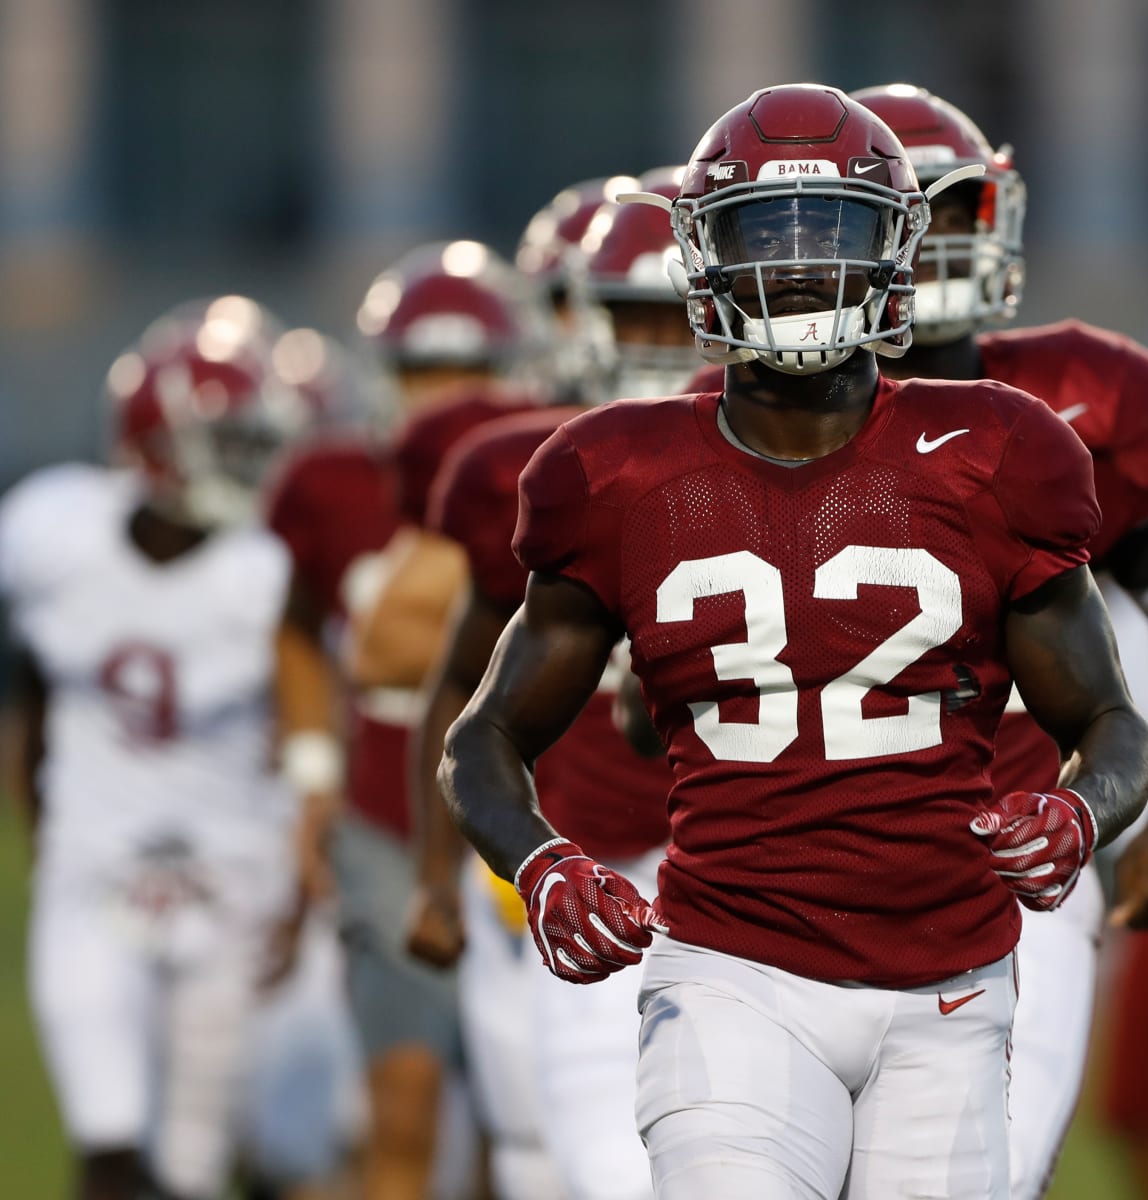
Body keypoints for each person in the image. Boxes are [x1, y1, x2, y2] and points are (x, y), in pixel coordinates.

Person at [436, 83, 1148, 1200]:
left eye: (836, 234)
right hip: (731, 968)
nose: (802, 268)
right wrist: (543, 861)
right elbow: (485, 735)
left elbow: (1108, 721)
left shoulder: (1004, 449)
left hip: (952, 982)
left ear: (896, 249)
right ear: (702, 255)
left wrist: (1080, 809)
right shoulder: (615, 471)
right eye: (765, 235)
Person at [850, 83, 1148, 1200]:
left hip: (1024, 859)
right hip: (813, 853)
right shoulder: (744, 414)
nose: (935, 241)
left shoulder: (1098, 400)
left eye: (954, 209)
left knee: (987, 1172)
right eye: (904, 211)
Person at [390, 168, 694, 1200]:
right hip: (577, 861)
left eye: (673, 315)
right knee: (547, 1153)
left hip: (752, 868)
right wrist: (439, 875)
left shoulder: (810, 459)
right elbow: (443, 681)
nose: (652, 348)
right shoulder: (516, 466)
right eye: (624, 313)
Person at [0, 299, 313, 1200]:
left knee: (192, 1164)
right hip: (95, 876)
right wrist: (47, 831)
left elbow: (304, 723)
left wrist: (293, 863)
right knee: (108, 1145)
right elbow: (32, 692)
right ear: (154, 444)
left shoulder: (267, 566)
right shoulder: (55, 534)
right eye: (229, 439)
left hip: (230, 879)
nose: (250, 462)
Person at [267, 240, 547, 1200]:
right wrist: (312, 777)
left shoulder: (552, 468)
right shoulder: (337, 485)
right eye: (424, 375)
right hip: (389, 812)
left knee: (526, 1118)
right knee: (405, 1105)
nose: (446, 398)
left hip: (532, 817)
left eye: (468, 374)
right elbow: (323, 635)